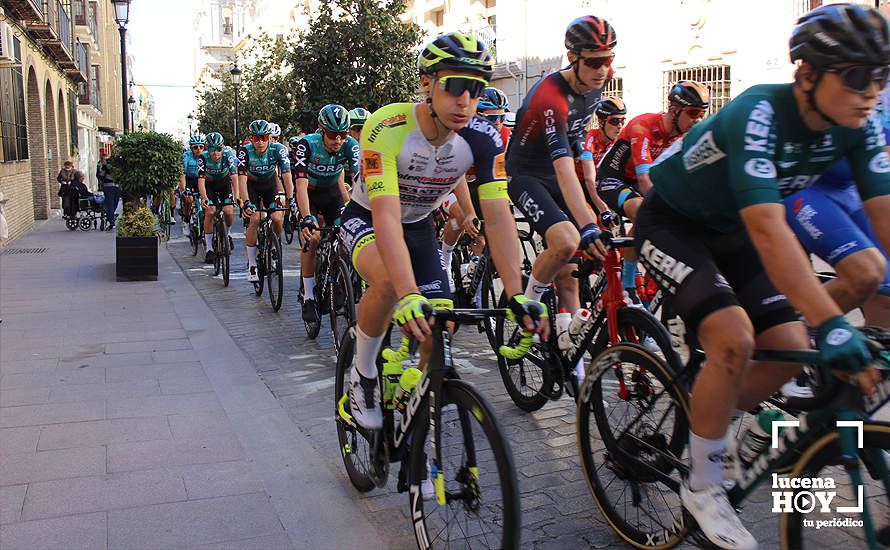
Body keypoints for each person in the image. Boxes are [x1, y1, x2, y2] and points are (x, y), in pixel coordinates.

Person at [635, 5, 890, 548]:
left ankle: (714, 425)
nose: (871, 91)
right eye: (855, 76)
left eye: (881, 76)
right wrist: (832, 322)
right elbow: (770, 232)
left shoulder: (855, 126)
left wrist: (821, 324)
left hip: (731, 229)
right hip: (673, 222)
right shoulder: (759, 112)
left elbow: (886, 218)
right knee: (734, 338)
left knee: (784, 351)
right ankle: (703, 485)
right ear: (807, 74)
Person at [342, 31, 547, 430]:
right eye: (455, 86)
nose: (465, 100)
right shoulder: (387, 127)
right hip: (368, 217)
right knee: (388, 284)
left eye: (475, 89)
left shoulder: (485, 138)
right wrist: (407, 294)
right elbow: (385, 217)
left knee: (442, 324)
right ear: (427, 84)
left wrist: (516, 294)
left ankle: (410, 405)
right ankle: (363, 374)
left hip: (417, 225)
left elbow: (499, 215)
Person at [505, 15, 614, 381]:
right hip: (527, 173)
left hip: (558, 170)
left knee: (571, 270)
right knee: (568, 240)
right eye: (595, 61)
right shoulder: (551, 97)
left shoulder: (597, 86)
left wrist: (596, 207)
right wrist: (585, 225)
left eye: (609, 59)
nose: (603, 69)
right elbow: (564, 167)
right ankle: (528, 308)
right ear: (573, 56)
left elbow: (577, 149)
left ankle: (576, 368)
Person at [596, 81, 708, 300]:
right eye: (693, 112)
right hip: (612, 178)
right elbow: (645, 179)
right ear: (674, 110)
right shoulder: (643, 125)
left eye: (703, 113)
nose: (698, 120)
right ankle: (628, 284)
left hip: (638, 182)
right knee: (642, 209)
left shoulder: (683, 136)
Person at [293, 104, 359, 323]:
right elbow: (300, 184)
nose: (338, 140)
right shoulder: (306, 145)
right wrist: (305, 218)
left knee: (346, 235)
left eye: (342, 134)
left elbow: (360, 179)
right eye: (332, 134)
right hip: (309, 194)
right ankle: (309, 295)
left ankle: (339, 279)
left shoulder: (350, 145)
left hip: (332, 194)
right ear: (321, 130)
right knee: (312, 239)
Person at [237, 119, 293, 283]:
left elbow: (287, 175)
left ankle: (274, 245)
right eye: (256, 138)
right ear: (251, 138)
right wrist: (246, 201)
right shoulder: (245, 151)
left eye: (264, 138)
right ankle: (252, 264)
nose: (260, 142)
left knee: (277, 218)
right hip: (252, 185)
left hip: (270, 185)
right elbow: (241, 178)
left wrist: (290, 198)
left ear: (270, 138)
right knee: (254, 219)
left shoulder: (279, 149)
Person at [197, 132, 238, 263]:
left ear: (223, 148)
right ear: (207, 149)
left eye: (219, 149)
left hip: (224, 183)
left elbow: (234, 177)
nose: (215, 153)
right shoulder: (202, 158)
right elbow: (201, 180)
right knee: (210, 211)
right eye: (212, 150)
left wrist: (236, 196)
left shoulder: (228, 155)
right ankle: (209, 248)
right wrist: (204, 198)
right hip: (209, 185)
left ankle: (228, 233)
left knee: (228, 211)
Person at [97, 150, 120, 230]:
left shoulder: (106, 162)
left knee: (110, 204)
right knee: (114, 204)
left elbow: (101, 174)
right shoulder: (121, 163)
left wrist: (102, 181)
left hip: (108, 186)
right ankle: (111, 219)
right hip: (117, 186)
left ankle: (110, 219)